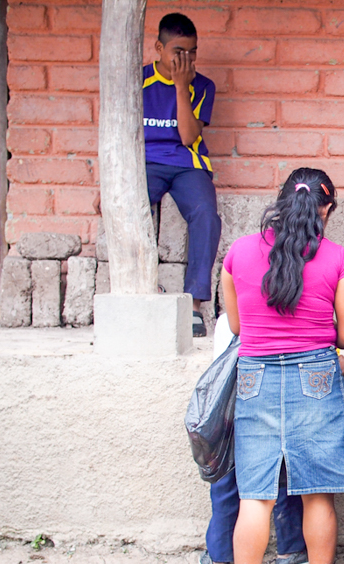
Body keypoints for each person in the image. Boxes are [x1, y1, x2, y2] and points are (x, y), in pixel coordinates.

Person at [214, 168, 344, 564]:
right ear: (326, 209)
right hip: (315, 376)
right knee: (317, 495)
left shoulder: (238, 252)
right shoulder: (338, 258)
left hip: (255, 376)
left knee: (256, 497)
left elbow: (236, 326)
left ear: (280, 201)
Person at [198, 313, 309, 564]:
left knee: (227, 480)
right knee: (283, 471)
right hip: (273, 403)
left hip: (232, 409)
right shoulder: (287, 313)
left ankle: (219, 558)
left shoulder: (228, 321)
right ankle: (291, 549)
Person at [143, 13, 222, 337]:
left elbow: (189, 138)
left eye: (192, 52)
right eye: (178, 52)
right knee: (133, 208)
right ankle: (144, 292)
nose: (185, 59)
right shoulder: (138, 81)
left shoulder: (202, 86)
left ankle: (194, 304)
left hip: (188, 163)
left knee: (206, 215)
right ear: (158, 48)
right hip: (146, 162)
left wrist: (180, 87)